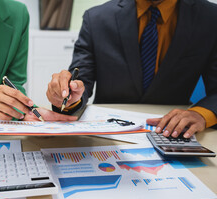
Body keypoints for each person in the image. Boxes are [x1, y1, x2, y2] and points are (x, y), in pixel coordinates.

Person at [46, 0, 217, 138]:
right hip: (105, 134)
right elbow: (81, 80)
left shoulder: (211, 18)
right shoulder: (96, 18)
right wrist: (69, 96)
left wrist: (202, 114)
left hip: (173, 132)